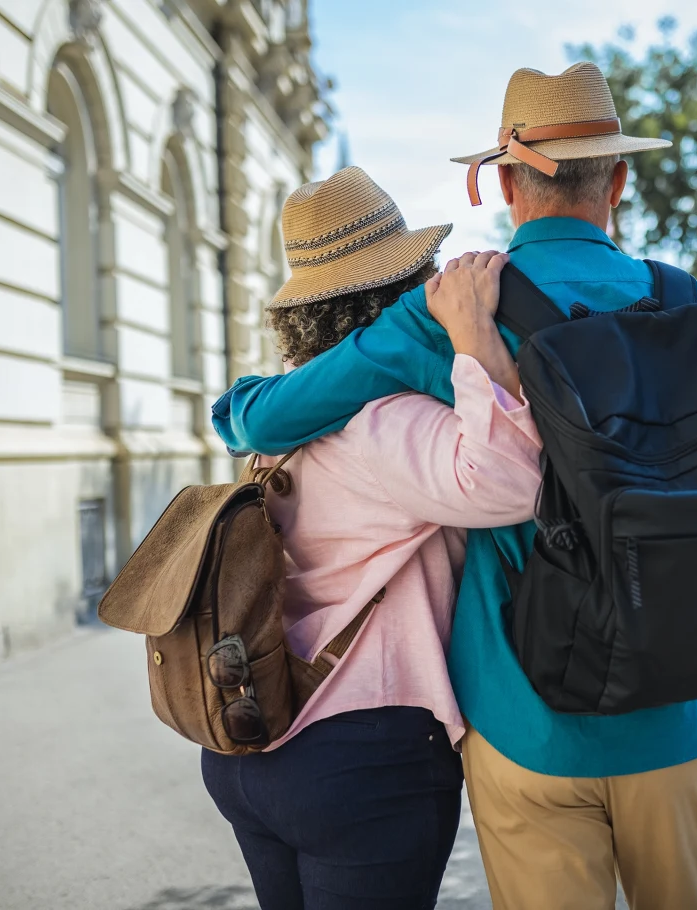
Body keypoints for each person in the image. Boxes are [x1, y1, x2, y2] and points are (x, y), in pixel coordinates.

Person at [213, 64, 697, 910]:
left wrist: (238, 404)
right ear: (618, 179)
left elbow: (271, 418)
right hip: (681, 711)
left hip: (523, 716)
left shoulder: (447, 311)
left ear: (507, 183)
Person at [200, 166, 543, 910]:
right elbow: (512, 485)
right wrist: (475, 334)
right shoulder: (381, 419)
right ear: (403, 285)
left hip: (250, 742)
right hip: (363, 753)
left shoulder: (287, 416)